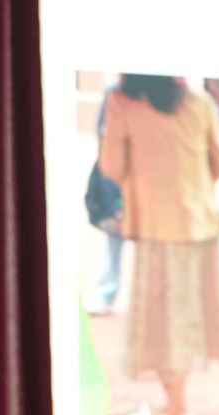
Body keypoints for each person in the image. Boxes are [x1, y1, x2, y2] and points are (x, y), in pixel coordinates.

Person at [99, 74, 219, 415]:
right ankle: (177, 406)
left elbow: (112, 165)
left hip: (155, 226)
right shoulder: (199, 101)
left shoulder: (123, 102)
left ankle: (178, 408)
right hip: (199, 225)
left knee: (161, 324)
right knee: (188, 321)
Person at [85, 83, 125, 316]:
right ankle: (105, 294)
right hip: (114, 187)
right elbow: (103, 138)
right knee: (112, 242)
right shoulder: (113, 93)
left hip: (142, 187)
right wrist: (114, 208)